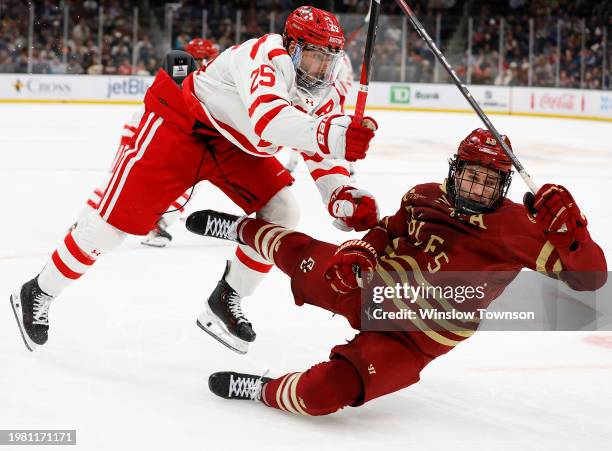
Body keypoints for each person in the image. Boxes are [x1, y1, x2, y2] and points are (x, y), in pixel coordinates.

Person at [10, 6, 379, 354]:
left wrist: (340, 194)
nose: (320, 69)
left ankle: (226, 298)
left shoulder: (323, 90)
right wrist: (334, 134)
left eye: (329, 60)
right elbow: (271, 120)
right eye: (315, 56)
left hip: (235, 146)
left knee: (283, 211)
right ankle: (39, 290)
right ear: (292, 47)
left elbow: (320, 152)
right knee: (111, 227)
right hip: (182, 127)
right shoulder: (264, 56)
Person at [185, 128, 607, 416]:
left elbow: (591, 280)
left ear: (503, 186)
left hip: (414, 339)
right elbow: (388, 230)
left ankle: (261, 389)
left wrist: (574, 235)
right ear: (455, 170)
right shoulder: (424, 195)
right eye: (472, 177)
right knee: (302, 253)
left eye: (489, 182)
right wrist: (363, 251)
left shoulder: (522, 229)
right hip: (374, 287)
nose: (478, 189)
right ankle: (241, 227)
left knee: (323, 396)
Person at [81, 39, 220, 248]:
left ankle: (159, 224)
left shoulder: (205, 79)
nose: (207, 63)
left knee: (191, 182)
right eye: (203, 59)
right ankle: (84, 221)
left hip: (169, 135)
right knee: (120, 177)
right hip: (142, 131)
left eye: (208, 59)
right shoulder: (184, 74)